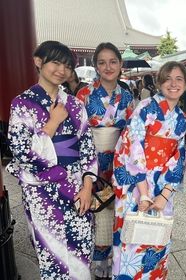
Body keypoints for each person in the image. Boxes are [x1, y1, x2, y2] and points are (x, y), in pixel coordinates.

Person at [5, 40, 97, 279]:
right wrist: (53, 123)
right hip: (42, 192)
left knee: (81, 249)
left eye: (67, 66)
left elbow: (87, 147)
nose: (62, 70)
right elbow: (21, 151)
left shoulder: (76, 104)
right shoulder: (22, 103)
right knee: (52, 254)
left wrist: (87, 186)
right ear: (38, 62)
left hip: (77, 187)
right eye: (55, 62)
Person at [112, 61, 186, 279]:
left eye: (179, 79)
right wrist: (144, 192)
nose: (173, 84)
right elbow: (132, 145)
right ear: (158, 82)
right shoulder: (145, 108)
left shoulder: (181, 119)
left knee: (157, 240)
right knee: (131, 240)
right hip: (136, 184)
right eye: (167, 79)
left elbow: (178, 158)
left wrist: (164, 195)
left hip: (162, 187)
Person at [76, 42, 135, 280]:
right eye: (102, 62)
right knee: (94, 213)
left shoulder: (128, 96)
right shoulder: (84, 95)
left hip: (120, 160)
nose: (108, 67)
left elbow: (134, 135)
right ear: (96, 67)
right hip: (91, 160)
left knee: (114, 213)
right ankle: (94, 269)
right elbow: (77, 134)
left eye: (113, 61)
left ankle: (114, 267)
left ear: (120, 65)